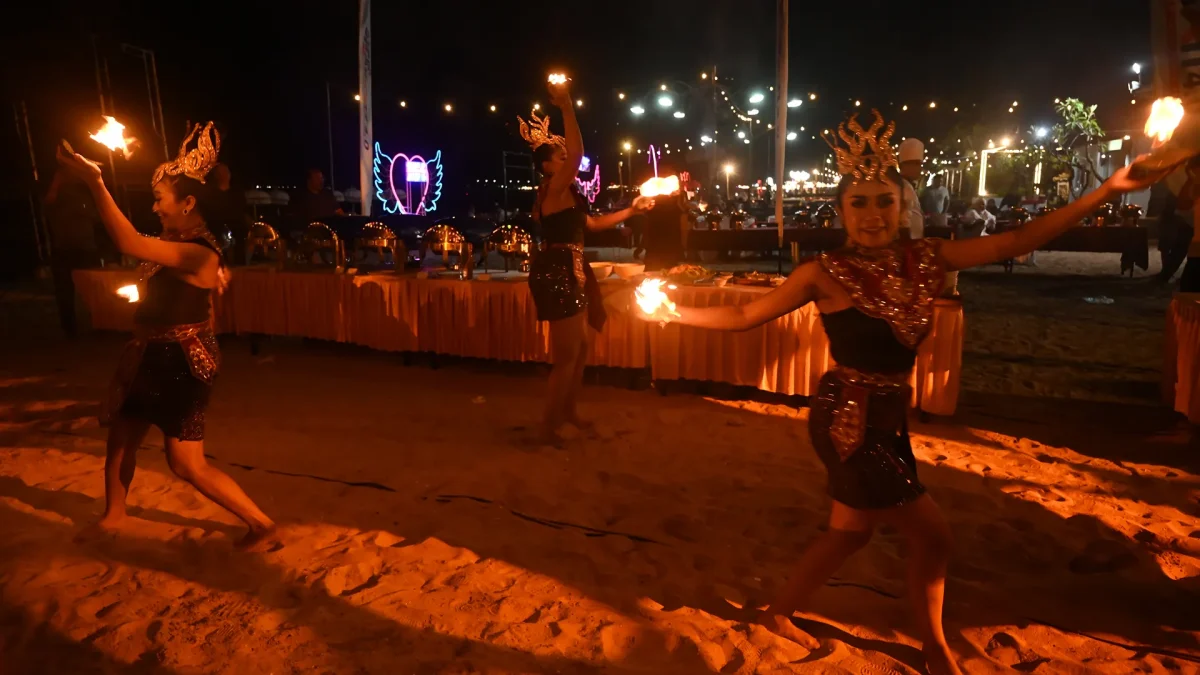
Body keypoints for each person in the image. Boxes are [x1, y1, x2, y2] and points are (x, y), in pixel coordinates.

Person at [633, 110, 1161, 675]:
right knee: (934, 540)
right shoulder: (823, 271)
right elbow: (744, 315)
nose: (871, 214)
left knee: (850, 534)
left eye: (883, 201)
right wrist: (670, 313)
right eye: (857, 202)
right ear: (839, 210)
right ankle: (935, 647)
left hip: (888, 414)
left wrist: (1105, 191)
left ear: (901, 203)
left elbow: (1018, 239)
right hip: (848, 420)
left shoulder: (928, 257)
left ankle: (778, 612)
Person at [55, 123, 277, 548]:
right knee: (121, 438)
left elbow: (127, 241)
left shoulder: (198, 252)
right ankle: (114, 515)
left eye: (160, 198)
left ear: (188, 202)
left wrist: (96, 182)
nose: (154, 207)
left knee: (185, 463)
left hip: (181, 363)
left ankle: (261, 524)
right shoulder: (179, 242)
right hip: (150, 355)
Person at [518, 80, 653, 445]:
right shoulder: (554, 189)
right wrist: (566, 105)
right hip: (556, 270)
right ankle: (547, 428)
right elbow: (578, 154)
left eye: (565, 157)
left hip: (571, 267)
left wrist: (632, 210)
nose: (568, 161)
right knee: (566, 356)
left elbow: (591, 225)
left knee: (580, 350)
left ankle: (568, 412)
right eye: (560, 158)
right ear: (547, 166)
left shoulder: (569, 195)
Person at [43, 171, 101, 338]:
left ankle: (98, 324)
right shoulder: (56, 197)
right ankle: (69, 328)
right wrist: (57, 180)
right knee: (64, 290)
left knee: (93, 289)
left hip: (85, 248)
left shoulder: (84, 195)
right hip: (63, 249)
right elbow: (48, 203)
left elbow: (96, 215)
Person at [208, 163, 249, 264]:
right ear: (216, 175)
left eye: (226, 171)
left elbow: (242, 210)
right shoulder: (211, 195)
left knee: (239, 259)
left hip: (238, 231)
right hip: (219, 233)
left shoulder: (237, 193)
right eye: (222, 172)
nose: (226, 174)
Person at [897, 138, 925, 239]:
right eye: (916, 164)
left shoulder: (908, 185)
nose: (920, 168)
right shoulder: (903, 187)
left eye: (920, 164)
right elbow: (903, 224)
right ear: (903, 165)